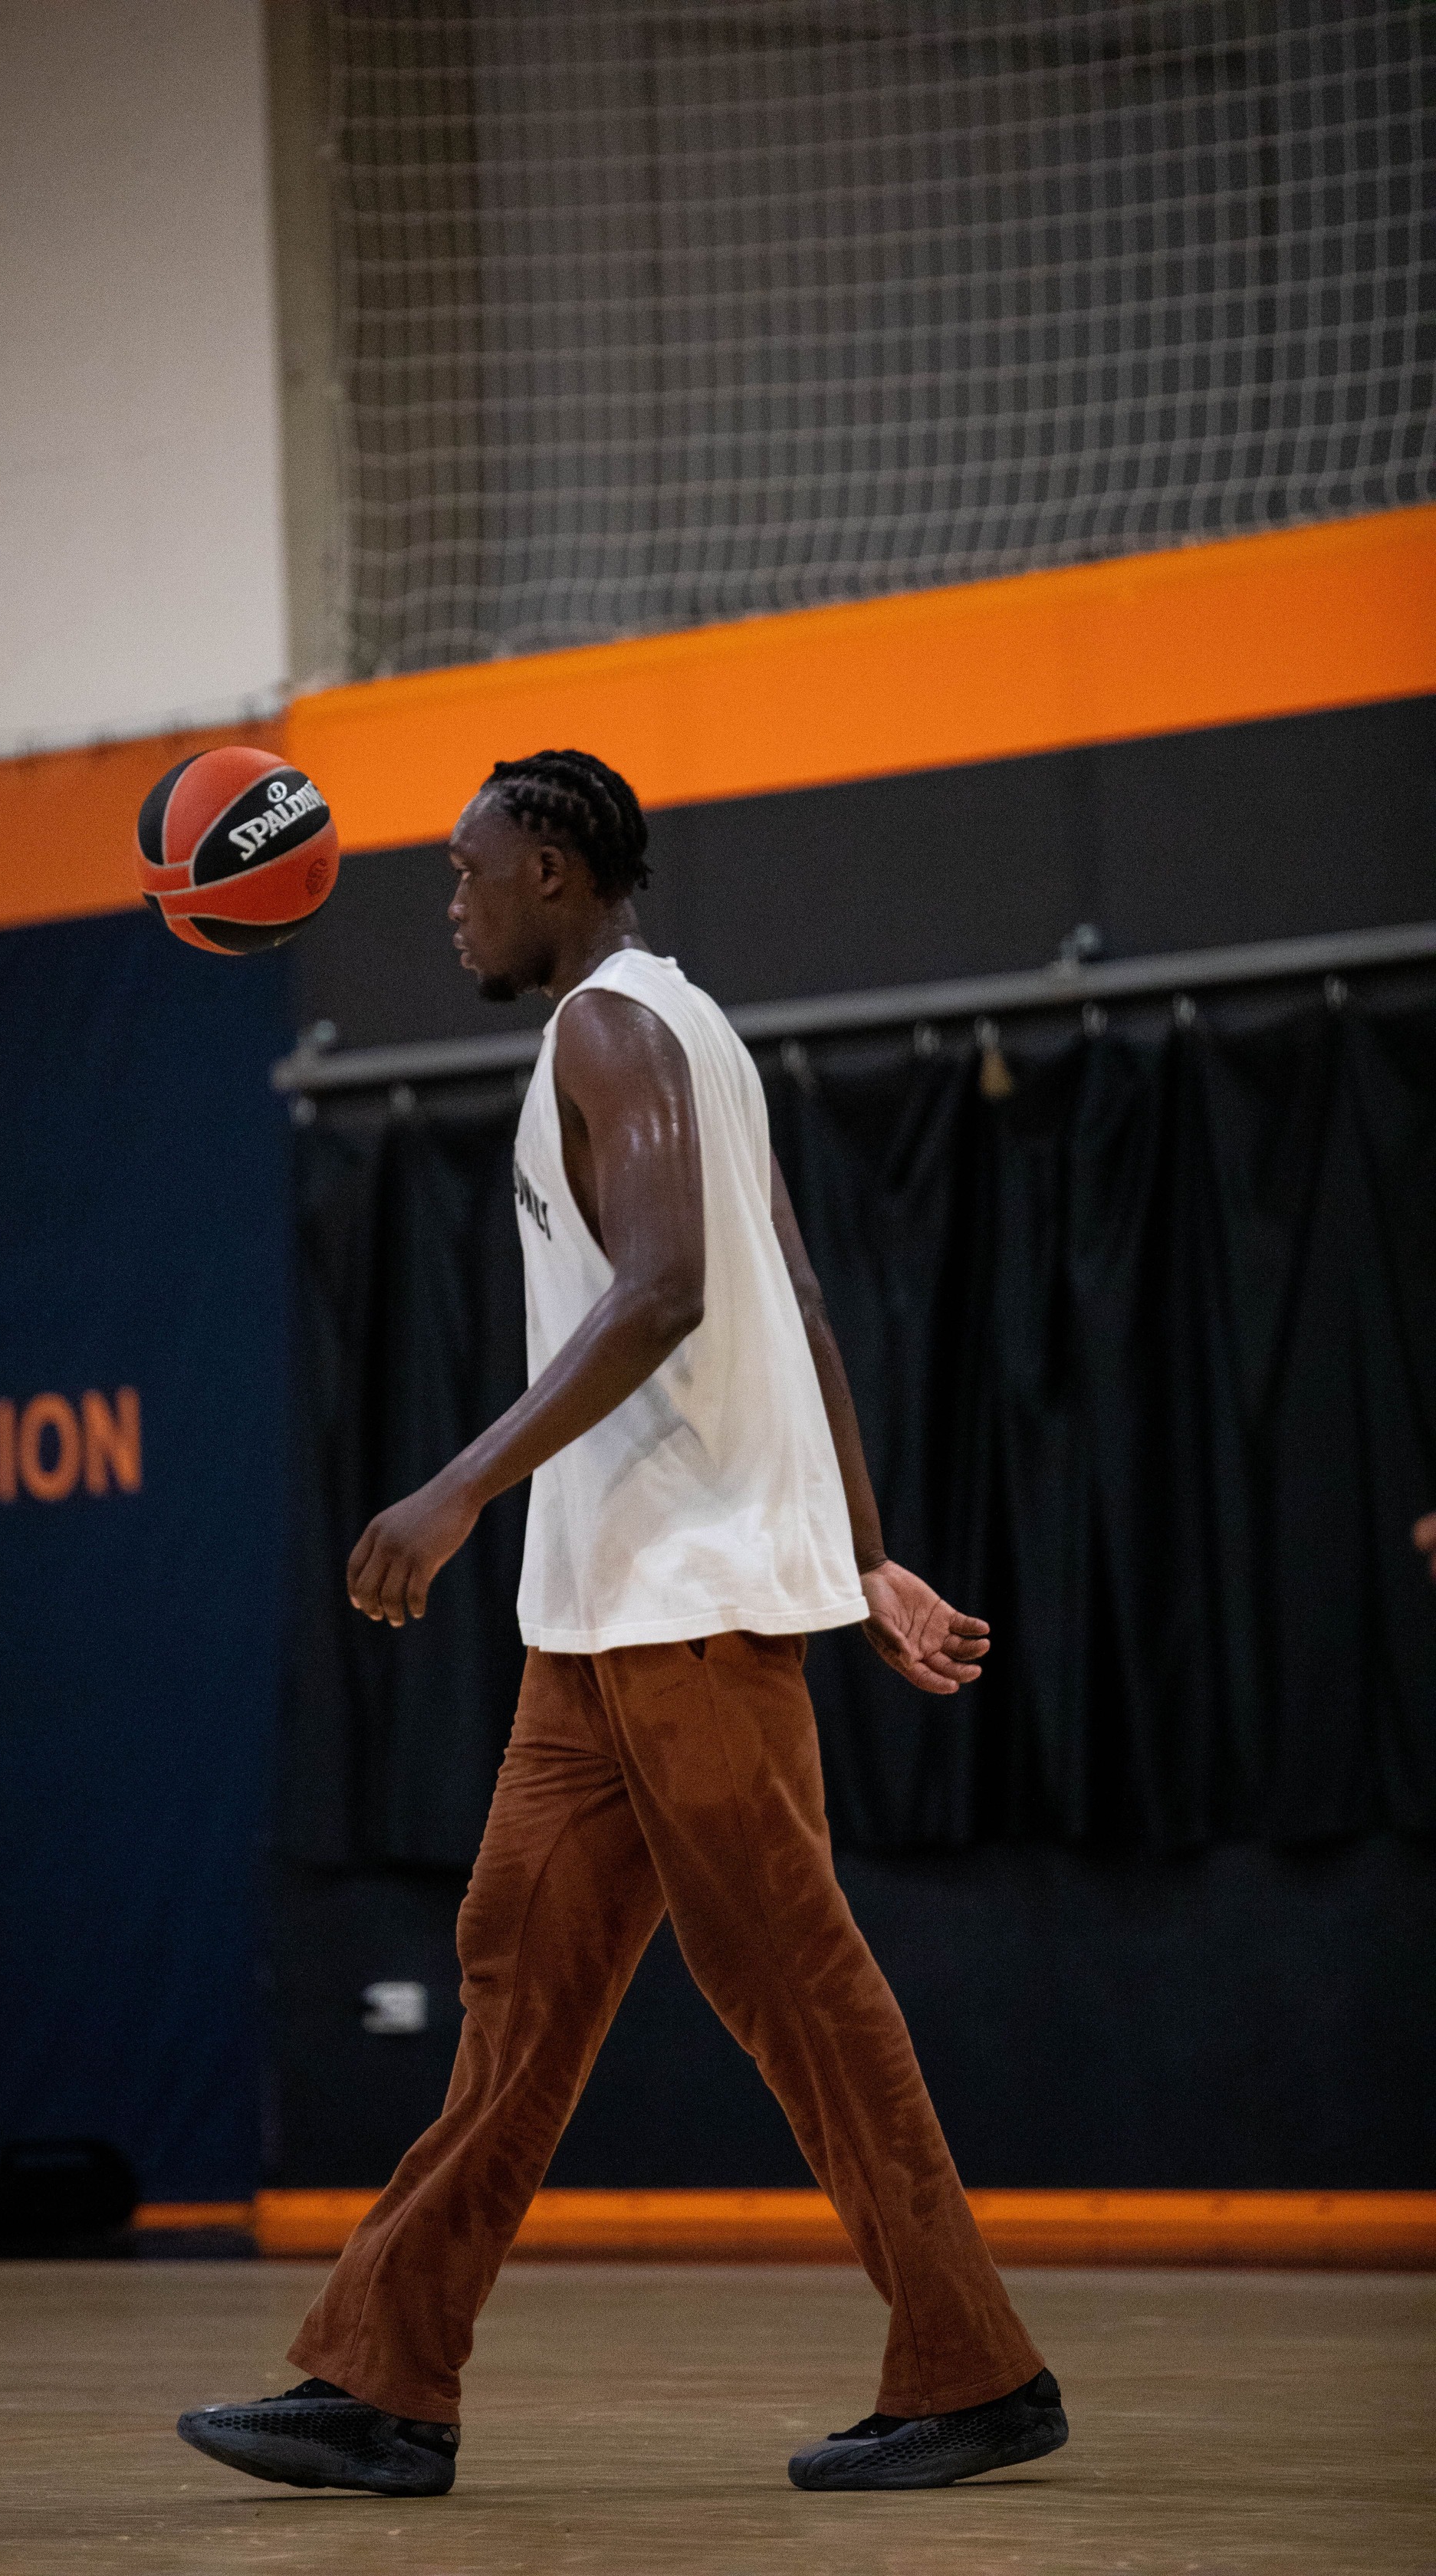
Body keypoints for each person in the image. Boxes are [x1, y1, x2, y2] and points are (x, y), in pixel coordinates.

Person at [179, 748, 1066, 2499]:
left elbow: (673, 1290)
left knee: (795, 1985)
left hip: (685, 1612)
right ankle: (383, 2382)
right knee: (515, 1981)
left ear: (559, 877)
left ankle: (974, 2368)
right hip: (599, 1629)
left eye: (468, 869)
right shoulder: (687, 1034)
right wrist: (867, 1557)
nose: (448, 899)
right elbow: (790, 1293)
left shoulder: (610, 1029)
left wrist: (453, 1491)